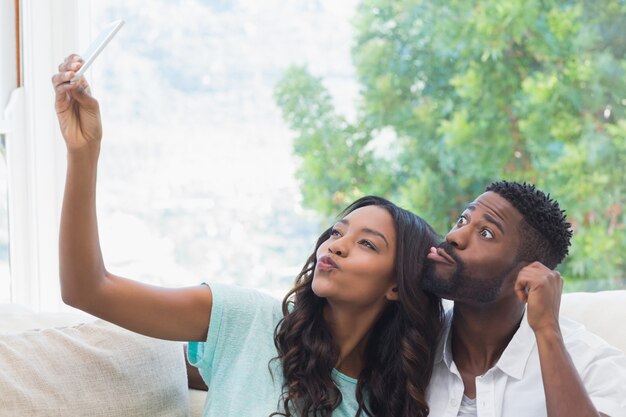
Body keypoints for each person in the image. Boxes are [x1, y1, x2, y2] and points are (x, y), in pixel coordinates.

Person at [51, 54, 443, 417]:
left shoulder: (385, 405)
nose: (337, 245)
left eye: (366, 244)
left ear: (396, 285)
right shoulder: (248, 319)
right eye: (338, 231)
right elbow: (88, 289)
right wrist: (83, 153)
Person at [422, 180, 626, 416]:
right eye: (462, 220)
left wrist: (548, 330)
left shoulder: (593, 365)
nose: (454, 236)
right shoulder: (415, 343)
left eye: (486, 233)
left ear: (526, 274)